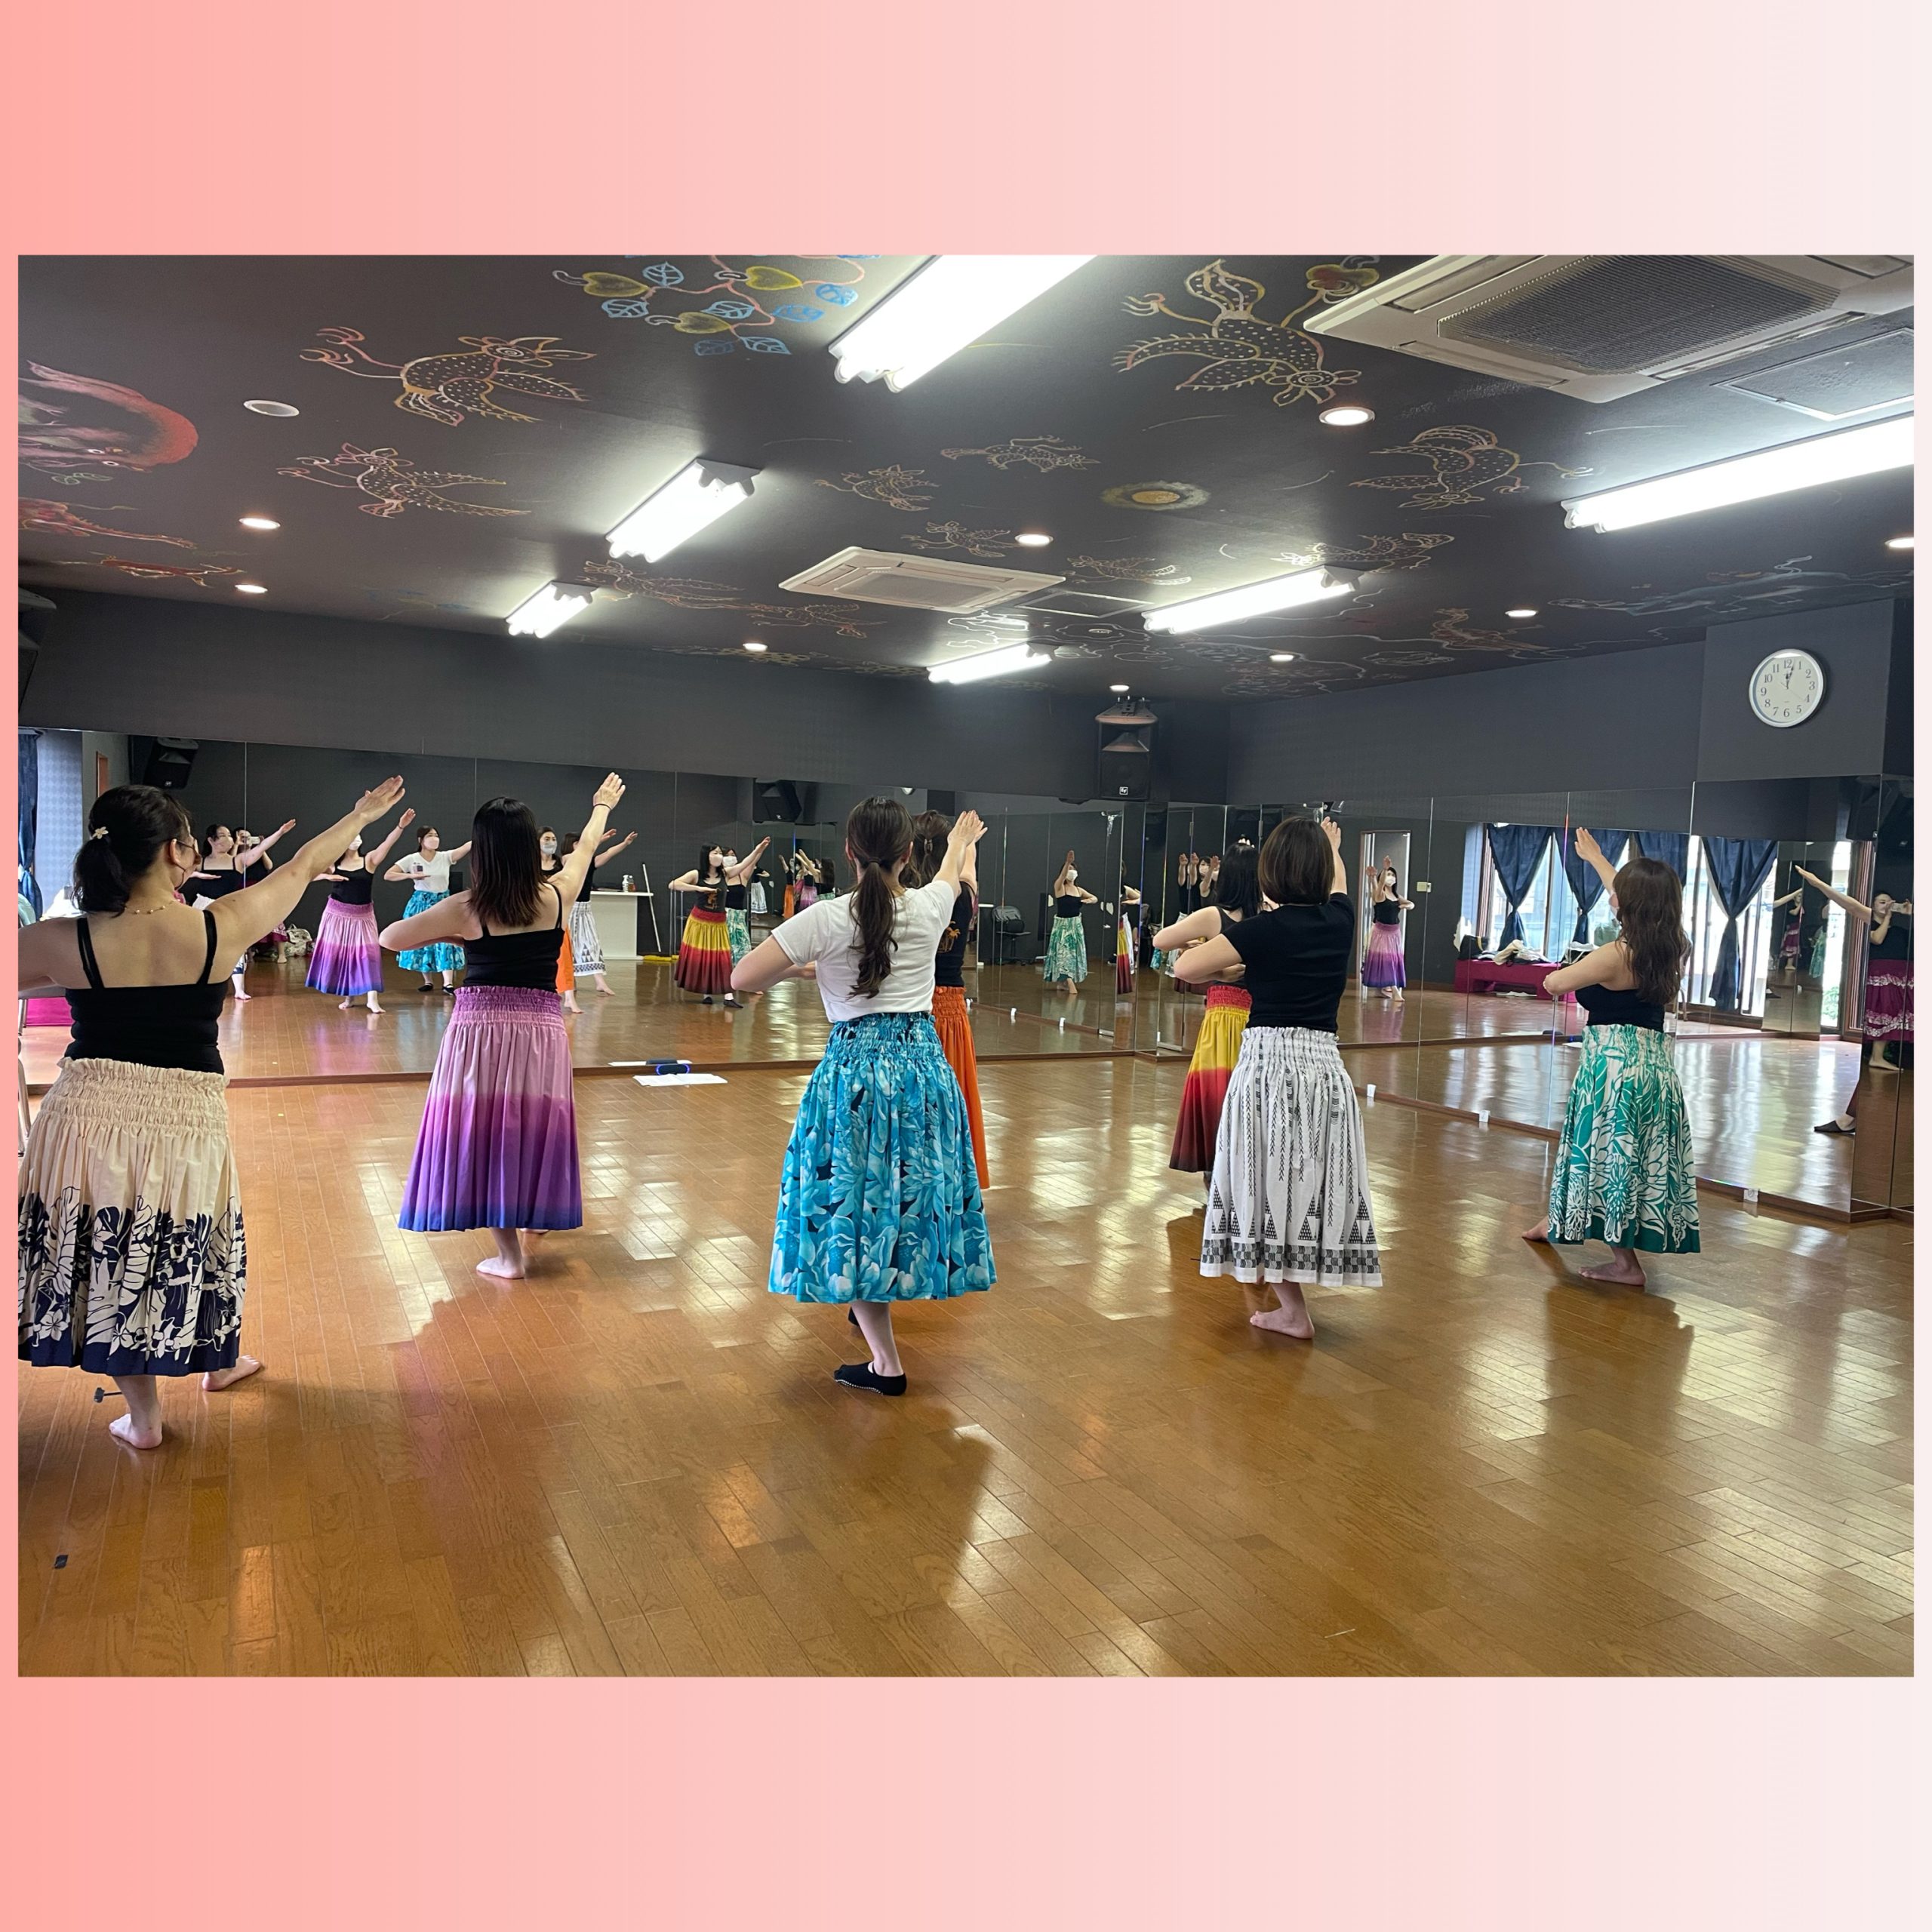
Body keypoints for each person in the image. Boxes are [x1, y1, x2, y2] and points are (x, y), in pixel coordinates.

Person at [18, 776, 407, 1448]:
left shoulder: (63, 938)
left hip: (85, 1112)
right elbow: (303, 865)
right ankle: (215, 1362)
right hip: (183, 1117)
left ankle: (146, 1418)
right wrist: (360, 816)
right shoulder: (218, 926)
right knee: (191, 1240)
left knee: (112, 1255)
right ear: (176, 852)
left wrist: (68, 978)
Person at [731, 799, 992, 1395]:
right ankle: (886, 1348)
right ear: (907, 853)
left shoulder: (825, 918)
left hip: (854, 1076)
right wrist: (960, 841)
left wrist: (803, 967)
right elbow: (952, 873)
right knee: (905, 1200)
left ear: (848, 852)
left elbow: (742, 977)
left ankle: (887, 1363)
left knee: (856, 1206)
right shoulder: (931, 905)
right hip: (921, 1070)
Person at [381, 776, 623, 1281]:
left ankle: (509, 1256)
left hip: (482, 1029)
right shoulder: (557, 895)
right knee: (533, 1123)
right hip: (542, 1028)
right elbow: (586, 850)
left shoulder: (468, 906)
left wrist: (454, 933)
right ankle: (537, 1212)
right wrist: (601, 806)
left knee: (488, 1131)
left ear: (483, 851)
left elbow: (391, 938)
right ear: (531, 847)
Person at [1177, 815, 1380, 1339]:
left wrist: (1232, 969)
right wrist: (1333, 846)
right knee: (1307, 1184)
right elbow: (1340, 884)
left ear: (1270, 873)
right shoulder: (1340, 920)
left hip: (1268, 1069)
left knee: (1265, 1185)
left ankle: (1292, 1309)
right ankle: (1294, 1306)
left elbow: (1183, 969)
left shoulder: (1259, 932)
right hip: (1324, 1071)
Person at [1524, 827, 1698, 1286]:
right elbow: (1628, 895)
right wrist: (1598, 859)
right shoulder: (1672, 946)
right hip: (1654, 1070)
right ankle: (1557, 1219)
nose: (1611, 897)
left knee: (1606, 1158)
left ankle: (1626, 1265)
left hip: (1614, 1071)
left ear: (1628, 906)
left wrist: (1572, 964)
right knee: (1629, 1159)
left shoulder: (1614, 955)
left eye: (1617, 895)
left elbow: (1554, 984)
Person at [1160, 844, 1261, 1183]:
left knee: (1218, 1091)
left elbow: (1161, 940)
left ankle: (1215, 1170)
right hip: (1259, 1017)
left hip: (1224, 1019)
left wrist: (1207, 960)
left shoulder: (1215, 916)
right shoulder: (1268, 915)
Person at [906, 809, 989, 1188]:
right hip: (949, 1011)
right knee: (952, 1099)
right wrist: (966, 844)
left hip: (912, 1007)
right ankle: (952, 1181)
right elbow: (968, 873)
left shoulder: (906, 897)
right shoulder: (962, 895)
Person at [307, 810, 414, 1014]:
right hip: (337, 915)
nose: (356, 839)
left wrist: (400, 826)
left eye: (358, 835)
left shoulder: (369, 860)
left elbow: (387, 843)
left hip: (363, 916)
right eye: (352, 836)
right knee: (345, 955)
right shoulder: (334, 864)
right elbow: (308, 875)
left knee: (368, 955)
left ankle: (372, 999)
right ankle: (349, 996)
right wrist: (327, 877)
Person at [191, 820, 294, 1001]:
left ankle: (239, 989)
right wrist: (197, 874)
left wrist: (280, 832)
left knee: (235, 945)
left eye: (229, 835)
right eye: (223, 836)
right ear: (211, 840)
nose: (229, 839)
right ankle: (200, 985)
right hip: (203, 906)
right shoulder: (202, 862)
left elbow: (260, 849)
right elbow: (182, 870)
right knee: (202, 947)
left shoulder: (237, 860)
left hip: (227, 908)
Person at [386, 823, 473, 993]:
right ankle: (428, 981)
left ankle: (448, 983)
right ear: (421, 840)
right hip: (421, 902)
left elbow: (464, 848)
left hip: (442, 902)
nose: (435, 839)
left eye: (436, 835)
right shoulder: (412, 859)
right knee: (423, 940)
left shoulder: (445, 857)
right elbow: (389, 874)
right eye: (430, 836)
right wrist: (411, 876)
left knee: (446, 941)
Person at [558, 826, 637, 997]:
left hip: (584, 909)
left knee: (591, 943)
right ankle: (570, 981)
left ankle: (600, 982)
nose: (583, 846)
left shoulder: (589, 863)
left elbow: (608, 853)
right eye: (579, 843)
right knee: (568, 947)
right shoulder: (566, 860)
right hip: (569, 909)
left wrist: (625, 843)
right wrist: (597, 841)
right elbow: (577, 856)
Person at [669, 843, 737, 1006]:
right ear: (707, 856)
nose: (719, 856)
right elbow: (673, 884)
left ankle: (729, 996)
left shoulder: (725, 874)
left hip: (718, 923)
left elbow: (744, 865)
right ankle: (707, 994)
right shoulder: (696, 874)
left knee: (722, 958)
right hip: (700, 922)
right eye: (715, 853)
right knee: (704, 958)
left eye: (720, 853)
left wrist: (759, 850)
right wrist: (699, 888)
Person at [537, 828, 584, 1015]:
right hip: (536, 916)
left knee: (564, 955)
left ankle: (569, 997)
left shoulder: (561, 862)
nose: (551, 842)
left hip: (558, 915)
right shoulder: (530, 864)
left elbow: (582, 854)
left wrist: (598, 840)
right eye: (547, 838)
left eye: (554, 839)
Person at [721, 838, 774, 990]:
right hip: (723, 919)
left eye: (733, 855)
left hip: (738, 919)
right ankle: (723, 981)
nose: (731, 857)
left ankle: (747, 982)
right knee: (724, 952)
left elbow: (751, 862)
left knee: (743, 950)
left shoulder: (742, 876)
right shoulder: (720, 877)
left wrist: (760, 849)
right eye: (727, 855)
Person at [1361, 860, 1414, 1004]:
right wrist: (1383, 870)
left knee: (1392, 960)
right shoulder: (1380, 894)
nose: (1391, 877)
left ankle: (1379, 990)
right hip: (1382, 933)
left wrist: (1406, 906)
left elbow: (1411, 904)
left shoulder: (1396, 896)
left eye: (1393, 875)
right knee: (1387, 961)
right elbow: (1377, 887)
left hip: (1394, 933)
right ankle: (1394, 990)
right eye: (1388, 875)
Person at [1044, 851, 1097, 992]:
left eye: (1073, 869)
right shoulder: (1060, 888)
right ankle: (1069, 982)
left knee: (1073, 954)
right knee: (1064, 954)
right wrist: (1068, 862)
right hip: (1063, 926)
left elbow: (1094, 898)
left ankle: (1062, 983)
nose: (1071, 872)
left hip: (1075, 926)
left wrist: (1089, 900)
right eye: (1069, 869)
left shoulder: (1079, 890)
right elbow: (1062, 876)